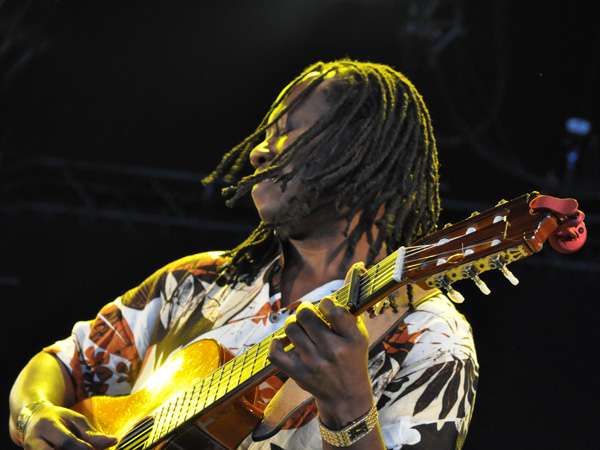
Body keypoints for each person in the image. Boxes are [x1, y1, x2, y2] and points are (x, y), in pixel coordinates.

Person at [9, 59, 478, 450]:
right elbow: (61, 365)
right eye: (265, 134)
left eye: (286, 133)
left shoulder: (430, 335)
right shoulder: (196, 282)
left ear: (357, 153)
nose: (257, 152)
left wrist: (348, 406)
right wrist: (34, 413)